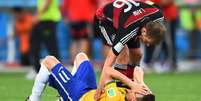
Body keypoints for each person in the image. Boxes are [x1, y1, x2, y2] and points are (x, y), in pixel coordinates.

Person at [93, 0, 166, 99]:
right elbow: (108, 65)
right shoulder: (128, 31)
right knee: (123, 54)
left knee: (137, 54)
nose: (148, 45)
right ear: (144, 31)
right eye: (148, 41)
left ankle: (131, 83)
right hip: (104, 20)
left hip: (127, 19)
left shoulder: (159, 15)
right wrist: (99, 90)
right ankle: (122, 87)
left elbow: (149, 3)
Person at [26, 52, 154, 101]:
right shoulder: (132, 95)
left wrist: (133, 84)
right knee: (81, 57)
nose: (136, 90)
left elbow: (107, 72)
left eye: (137, 93)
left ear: (133, 99)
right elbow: (137, 69)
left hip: (78, 96)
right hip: (90, 91)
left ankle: (33, 99)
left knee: (48, 61)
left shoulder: (114, 97)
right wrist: (141, 83)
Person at [30, 0, 61, 74]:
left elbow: (48, 1)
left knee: (51, 47)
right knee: (34, 46)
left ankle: (57, 71)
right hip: (41, 20)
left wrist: (37, 15)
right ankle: (37, 70)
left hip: (48, 21)